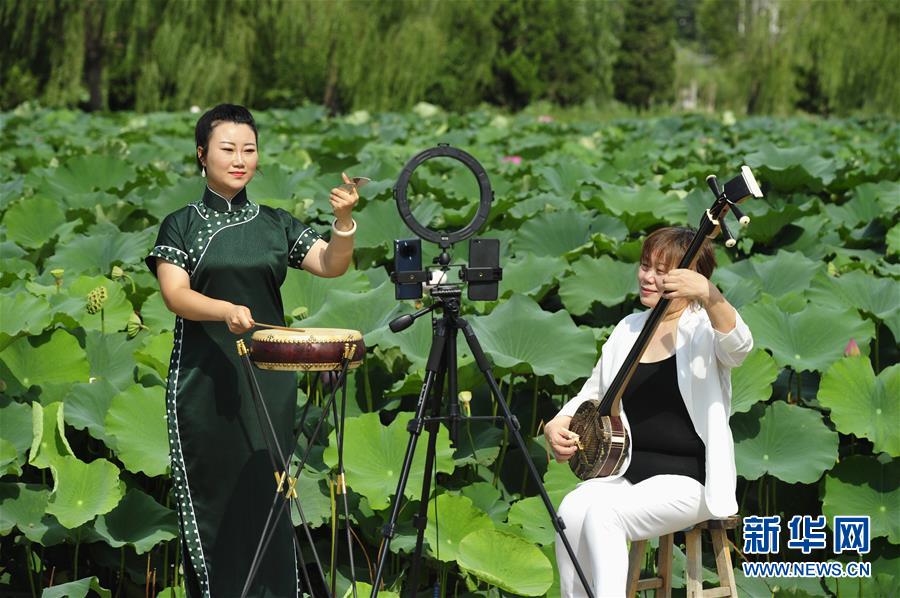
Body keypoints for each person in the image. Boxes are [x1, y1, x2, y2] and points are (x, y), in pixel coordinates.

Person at [145, 104, 359, 597]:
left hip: (270, 380)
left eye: (249, 149)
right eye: (227, 149)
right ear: (202, 155)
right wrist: (222, 308)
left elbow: (330, 264)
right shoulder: (180, 225)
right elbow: (175, 294)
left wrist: (343, 222)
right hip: (205, 381)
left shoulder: (275, 223)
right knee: (214, 500)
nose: (240, 159)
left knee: (268, 498)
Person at [543, 226, 753, 598]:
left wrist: (710, 294)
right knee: (572, 509)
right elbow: (593, 393)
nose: (648, 277)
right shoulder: (628, 329)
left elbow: (739, 347)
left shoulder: (704, 328)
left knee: (605, 515)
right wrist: (559, 422)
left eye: (661, 271)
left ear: (688, 278)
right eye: (644, 266)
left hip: (692, 481)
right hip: (630, 473)